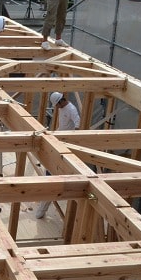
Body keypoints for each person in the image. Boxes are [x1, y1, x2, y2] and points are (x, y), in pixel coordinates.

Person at [36, 91, 80, 219]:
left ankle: (42, 210)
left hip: (66, 143)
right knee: (50, 172)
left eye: (56, 105)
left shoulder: (71, 109)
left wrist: (73, 139)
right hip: (60, 138)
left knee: (52, 178)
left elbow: (78, 123)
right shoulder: (63, 108)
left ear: (61, 101)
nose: (56, 108)